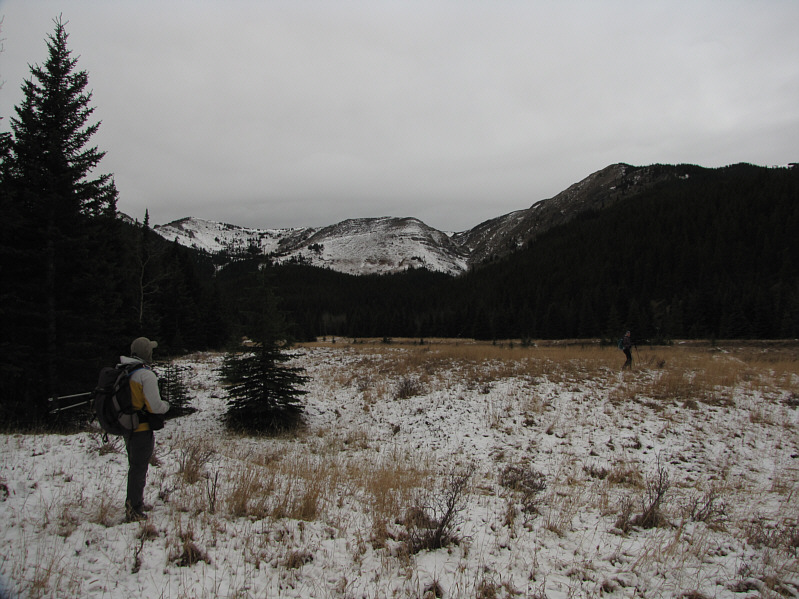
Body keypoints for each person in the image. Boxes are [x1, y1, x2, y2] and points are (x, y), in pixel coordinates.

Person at [121, 337, 170, 522]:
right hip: (141, 429)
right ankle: (134, 509)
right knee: (139, 468)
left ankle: (134, 502)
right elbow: (155, 406)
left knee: (135, 466)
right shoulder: (145, 375)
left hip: (128, 427)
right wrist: (166, 406)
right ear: (146, 353)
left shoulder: (126, 370)